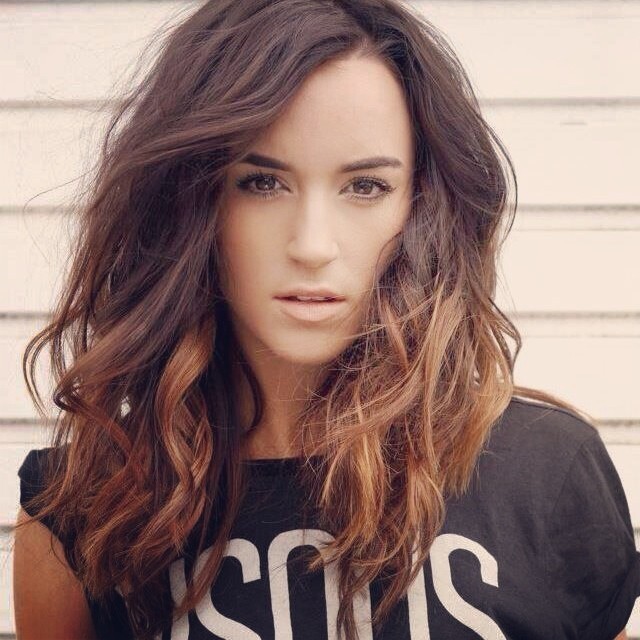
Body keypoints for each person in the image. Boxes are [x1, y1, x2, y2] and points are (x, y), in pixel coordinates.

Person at [10, 1, 639, 639]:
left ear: (423, 206)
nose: (312, 246)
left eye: (365, 186)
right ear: (189, 202)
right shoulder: (86, 508)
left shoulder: (545, 470)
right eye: (261, 183)